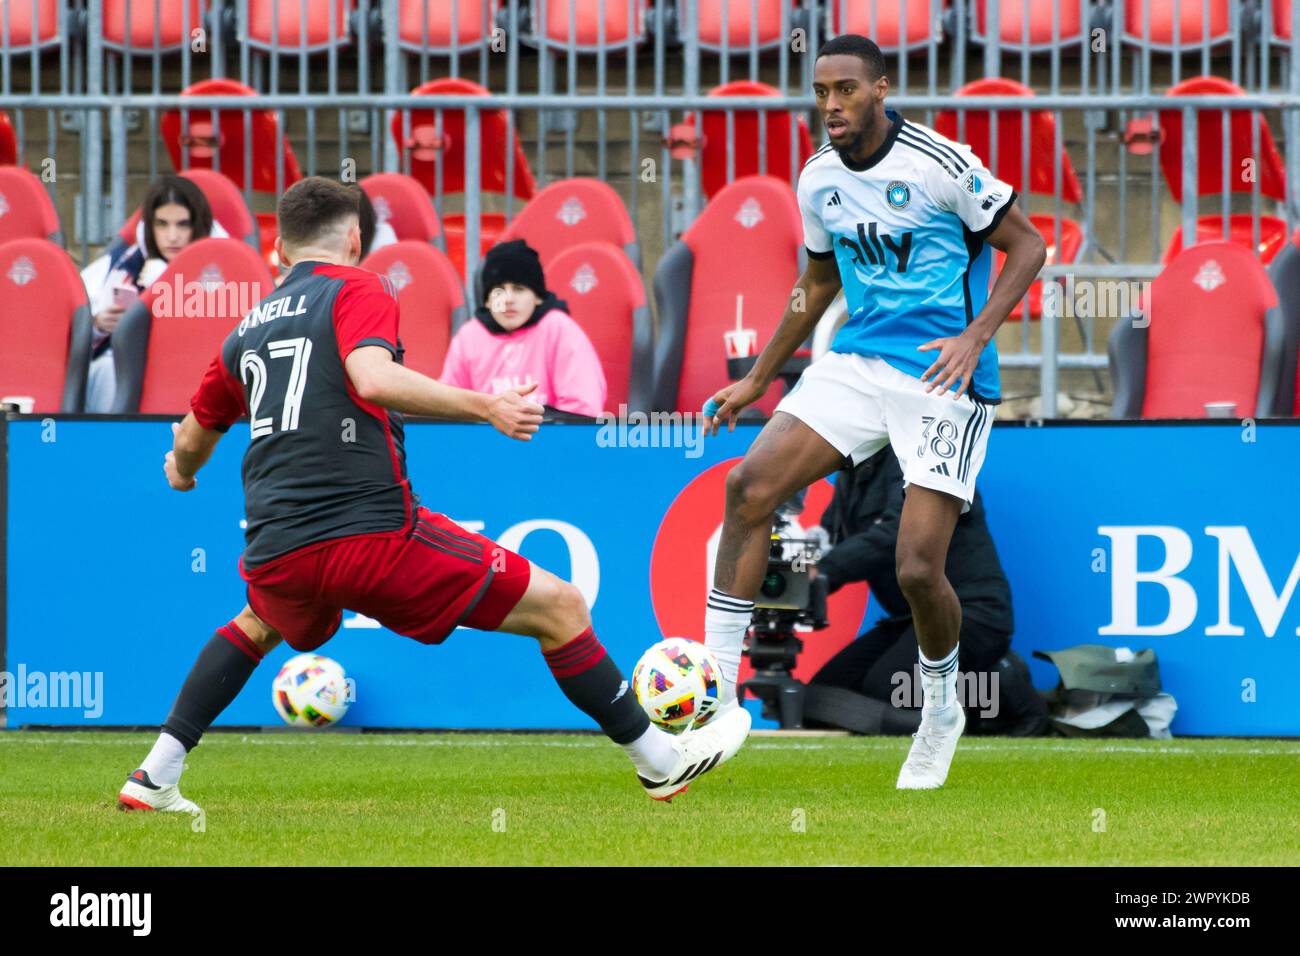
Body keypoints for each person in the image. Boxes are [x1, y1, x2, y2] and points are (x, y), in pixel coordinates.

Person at [115, 177, 749, 815]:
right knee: (561, 607)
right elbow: (372, 375)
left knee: (257, 622)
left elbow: (195, 439)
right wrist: (487, 405)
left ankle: (155, 774)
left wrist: (181, 471)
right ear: (357, 239)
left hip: (275, 546)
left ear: (278, 248)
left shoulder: (244, 330)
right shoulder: (361, 285)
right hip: (369, 533)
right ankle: (660, 763)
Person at [700, 35, 1046, 789]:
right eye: (822, 91)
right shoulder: (818, 179)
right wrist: (759, 377)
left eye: (847, 90)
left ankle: (941, 711)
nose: (831, 105)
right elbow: (816, 281)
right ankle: (712, 695)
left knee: (918, 568)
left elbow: (1027, 247)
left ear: (880, 89)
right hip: (858, 362)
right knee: (748, 488)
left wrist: (976, 334)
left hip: (942, 377)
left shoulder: (941, 165)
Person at [807, 446, 1047, 736]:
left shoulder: (924, 458)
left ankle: (1001, 686)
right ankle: (964, 695)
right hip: (912, 617)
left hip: (971, 613)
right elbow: (831, 543)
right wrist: (796, 578)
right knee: (827, 694)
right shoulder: (854, 471)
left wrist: (825, 570)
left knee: (889, 690)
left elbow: (898, 533)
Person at [81, 176, 223, 411]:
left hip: (201, 368)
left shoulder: (226, 266)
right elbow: (71, 332)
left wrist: (166, 283)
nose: (172, 236)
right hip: (131, 372)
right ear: (149, 226)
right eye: (162, 224)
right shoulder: (121, 264)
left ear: (198, 224)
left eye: (183, 224)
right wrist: (99, 325)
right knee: (105, 371)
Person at [440, 239, 608, 417]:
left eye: (519, 289)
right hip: (483, 441)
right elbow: (447, 406)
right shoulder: (469, 336)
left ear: (538, 297)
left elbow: (582, 409)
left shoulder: (559, 329)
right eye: (498, 290)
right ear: (487, 301)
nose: (508, 299)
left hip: (548, 440)